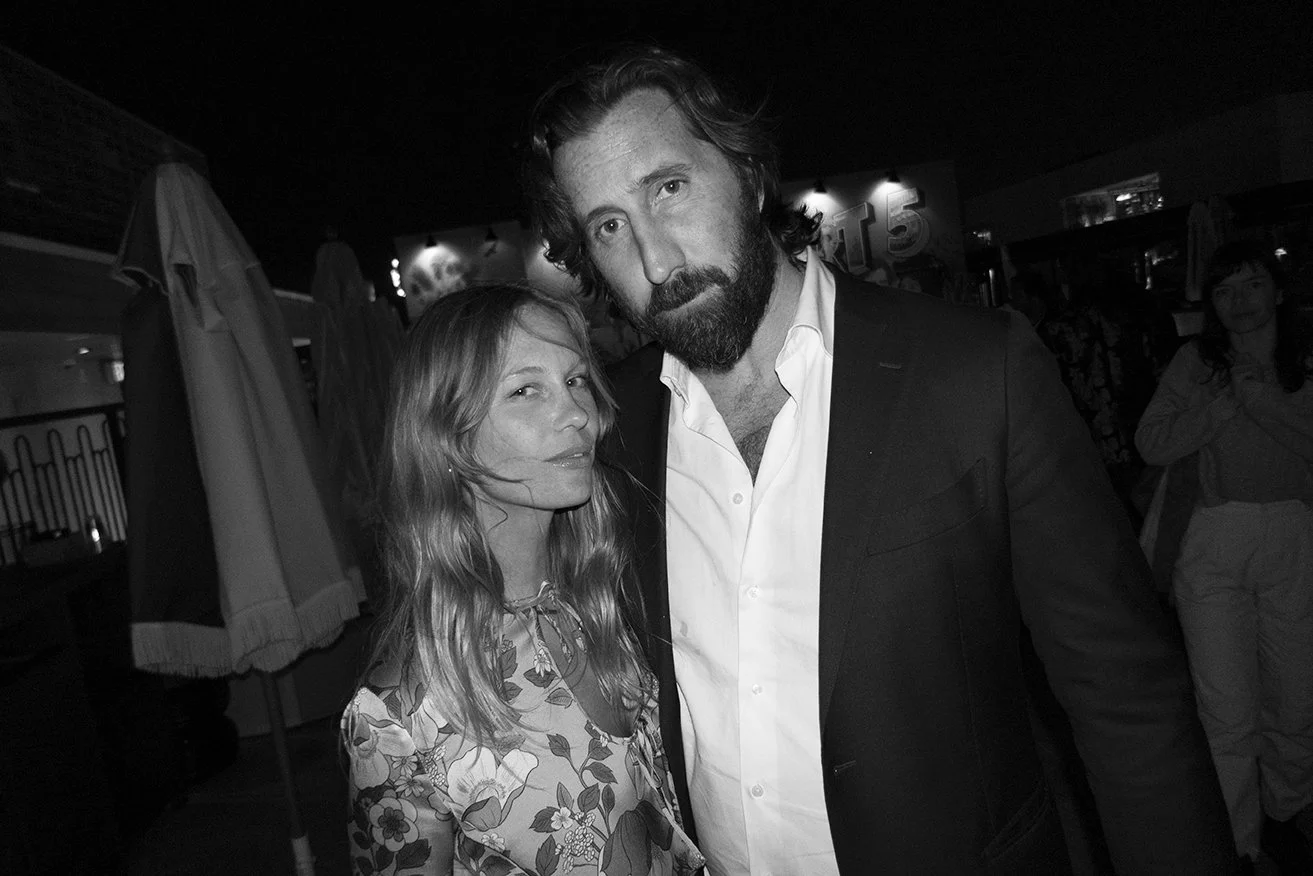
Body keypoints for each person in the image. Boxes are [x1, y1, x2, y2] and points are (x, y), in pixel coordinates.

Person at [522, 44, 1238, 874]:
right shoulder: (608, 430)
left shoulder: (975, 372)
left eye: (668, 188)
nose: (656, 260)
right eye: (609, 226)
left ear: (748, 176)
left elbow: (1125, 697)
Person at [340, 284, 703, 875]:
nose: (578, 414)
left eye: (576, 379)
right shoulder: (397, 714)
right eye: (524, 390)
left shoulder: (611, 600)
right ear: (446, 435)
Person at [1135, 241, 1313, 872]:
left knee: (1296, 696)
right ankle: (1241, 841)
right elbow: (1151, 442)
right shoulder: (1197, 361)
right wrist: (1218, 409)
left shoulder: (1304, 359)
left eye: (1252, 284)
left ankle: (1288, 808)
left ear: (1279, 291)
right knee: (1226, 706)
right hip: (1212, 539)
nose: (1239, 301)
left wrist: (1261, 401)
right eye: (1224, 290)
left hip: (1294, 533)